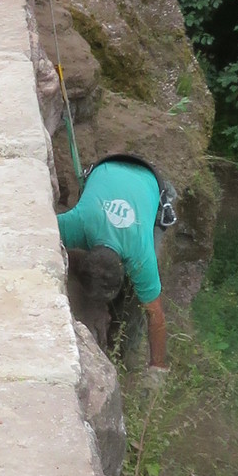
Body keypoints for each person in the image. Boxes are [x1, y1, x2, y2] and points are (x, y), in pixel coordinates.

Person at [57, 152, 173, 370]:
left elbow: (156, 314)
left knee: (135, 304)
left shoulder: (140, 256)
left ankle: (127, 352)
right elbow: (40, 233)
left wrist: (158, 367)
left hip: (150, 179)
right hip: (106, 166)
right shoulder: (78, 223)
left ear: (126, 268)